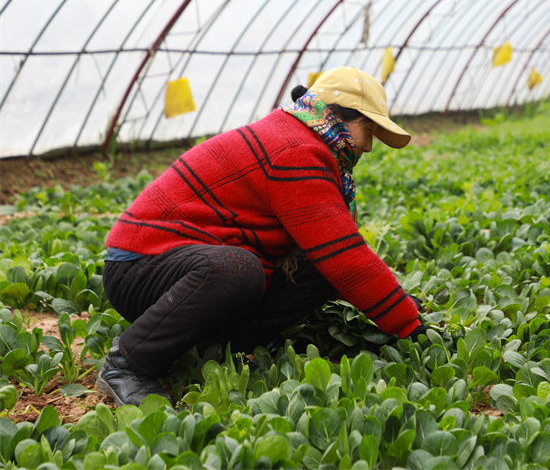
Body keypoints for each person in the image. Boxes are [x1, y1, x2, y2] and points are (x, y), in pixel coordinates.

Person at [96, 66, 426, 407]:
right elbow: (346, 257)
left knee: (318, 267)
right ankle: (129, 363)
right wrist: (411, 328)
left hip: (187, 265)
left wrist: (403, 307)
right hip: (139, 267)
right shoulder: (295, 149)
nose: (368, 146)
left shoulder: (305, 140)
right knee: (237, 269)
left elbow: (337, 251)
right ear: (339, 116)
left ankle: (223, 346)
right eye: (368, 130)